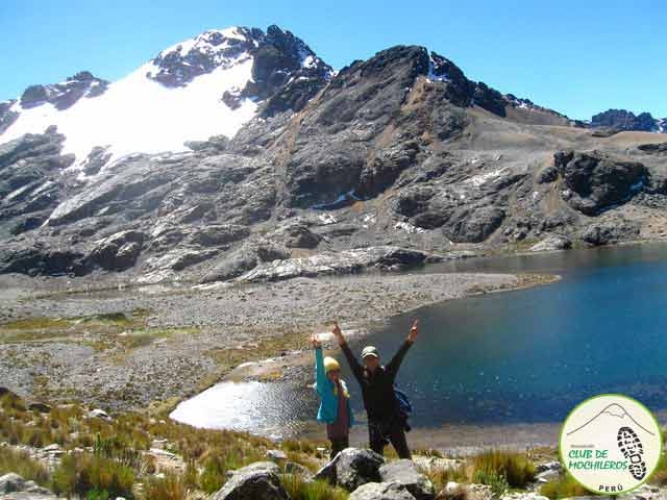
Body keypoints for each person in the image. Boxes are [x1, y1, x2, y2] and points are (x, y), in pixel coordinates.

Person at [331, 319, 419, 459]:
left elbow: (399, 356)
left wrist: (411, 338)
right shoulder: (361, 375)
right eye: (367, 359)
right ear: (364, 361)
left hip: (393, 421)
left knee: (404, 455)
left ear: (378, 359)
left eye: (372, 358)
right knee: (375, 459)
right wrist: (339, 335)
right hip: (374, 424)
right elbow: (348, 355)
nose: (370, 361)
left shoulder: (388, 372)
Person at [311, 334, 355, 459]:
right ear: (326, 373)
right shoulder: (324, 386)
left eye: (336, 371)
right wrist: (318, 349)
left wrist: (350, 421)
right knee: (336, 450)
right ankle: (333, 474)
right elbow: (319, 369)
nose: (334, 374)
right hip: (334, 423)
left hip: (344, 424)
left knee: (346, 449)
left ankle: (345, 473)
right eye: (331, 372)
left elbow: (346, 405)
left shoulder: (342, 384)